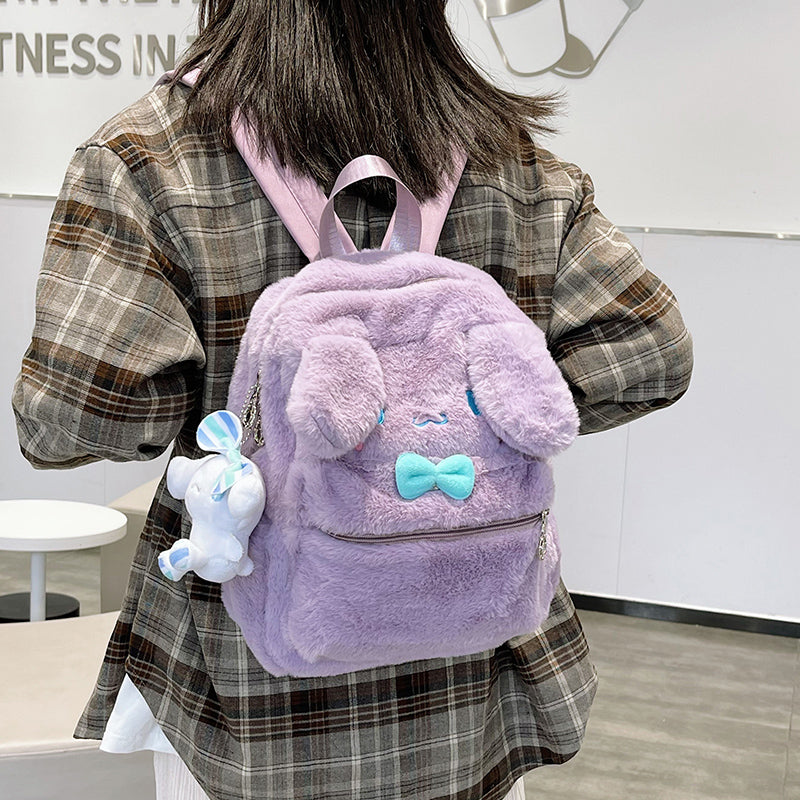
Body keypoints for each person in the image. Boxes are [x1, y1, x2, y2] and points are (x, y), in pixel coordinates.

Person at [12, 1, 693, 798]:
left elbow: (72, 420)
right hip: (470, 668)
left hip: (253, 688)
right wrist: (478, 414)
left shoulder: (151, 156)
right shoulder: (510, 158)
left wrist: (253, 425)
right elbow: (652, 355)